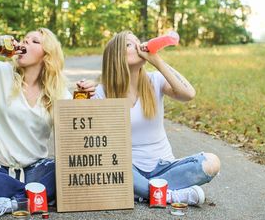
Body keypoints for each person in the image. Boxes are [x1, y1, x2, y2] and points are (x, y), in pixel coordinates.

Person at [0, 28, 94, 218]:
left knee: (69, 168)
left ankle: (8, 203)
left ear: (47, 55)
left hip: (34, 170)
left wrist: (86, 100)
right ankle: (36, 198)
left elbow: (74, 133)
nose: (24, 43)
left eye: (34, 41)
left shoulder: (58, 92)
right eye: (24, 40)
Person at [93, 31, 220, 205]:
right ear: (116, 57)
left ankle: (143, 192)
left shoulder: (156, 80)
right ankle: (168, 195)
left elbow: (188, 94)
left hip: (164, 166)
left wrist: (157, 61)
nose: (139, 46)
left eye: (139, 41)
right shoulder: (102, 92)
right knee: (106, 165)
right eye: (130, 44)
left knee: (211, 162)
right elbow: (92, 140)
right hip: (127, 168)